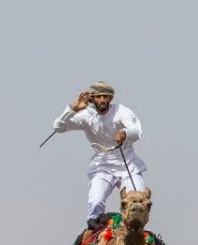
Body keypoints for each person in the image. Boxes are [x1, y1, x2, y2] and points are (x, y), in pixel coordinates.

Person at [52, 82, 148, 225]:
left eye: (106, 97)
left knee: (138, 202)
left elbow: (137, 131)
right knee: (95, 202)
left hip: (128, 165)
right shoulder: (86, 115)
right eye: (99, 97)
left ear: (110, 98)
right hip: (102, 165)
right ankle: (93, 236)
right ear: (93, 99)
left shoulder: (121, 111)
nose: (102, 100)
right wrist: (73, 109)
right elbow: (58, 127)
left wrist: (124, 133)